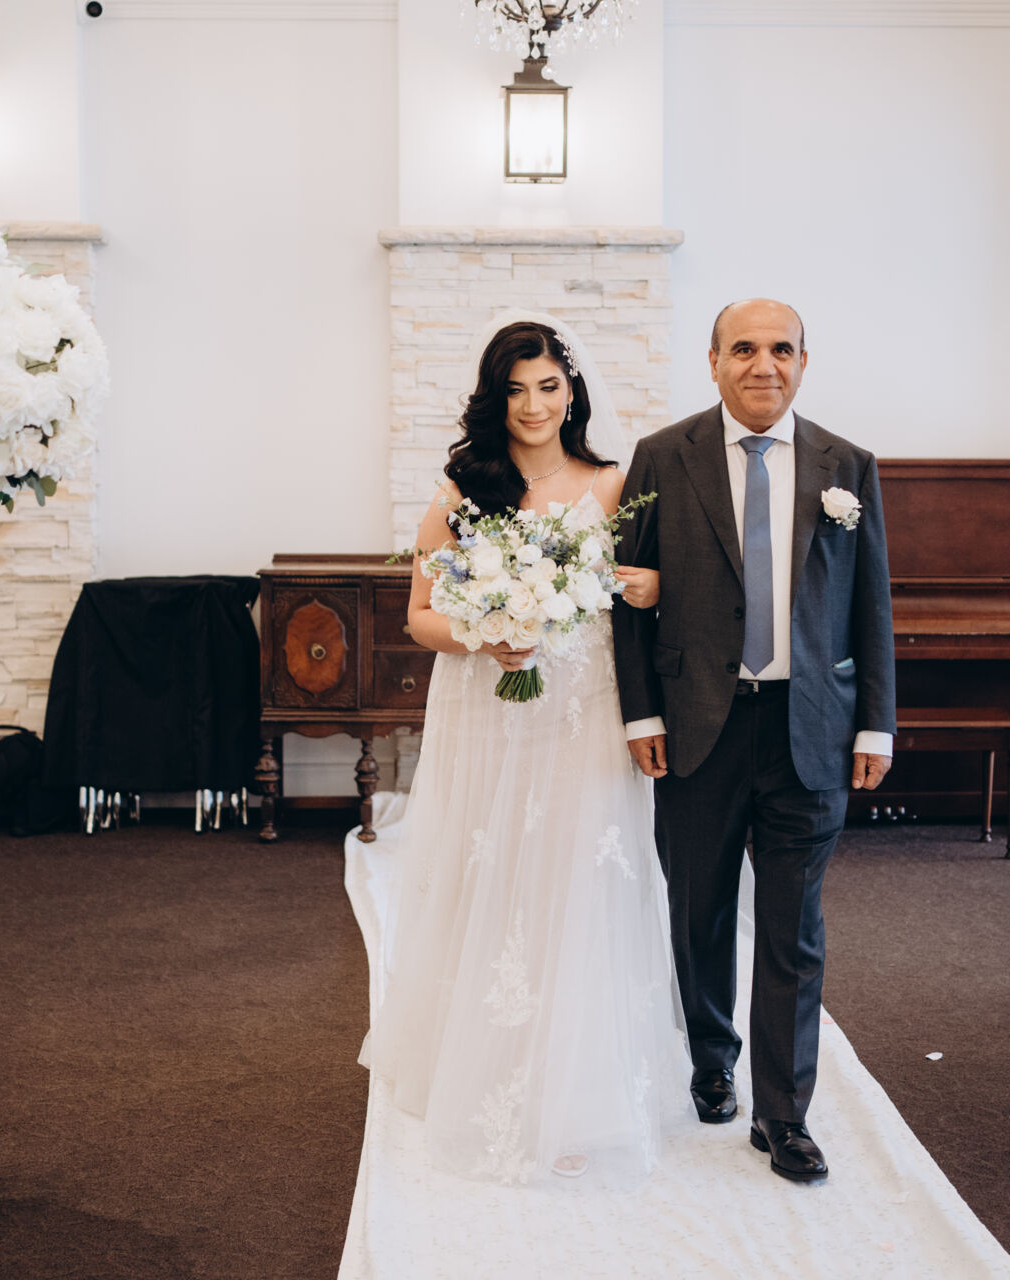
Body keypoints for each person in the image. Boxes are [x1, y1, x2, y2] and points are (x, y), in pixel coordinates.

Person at [358, 315, 690, 1185]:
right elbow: (419, 616)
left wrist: (648, 587)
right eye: (515, 390)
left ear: (572, 391)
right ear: (493, 398)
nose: (533, 405)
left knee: (578, 878)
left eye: (548, 387)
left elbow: (646, 592)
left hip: (585, 713)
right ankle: (481, 1065)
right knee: (498, 872)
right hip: (491, 711)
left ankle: (580, 1090)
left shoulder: (614, 484)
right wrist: (485, 632)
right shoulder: (464, 490)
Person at [612, 298, 897, 1184]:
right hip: (699, 726)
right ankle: (711, 1060)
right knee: (698, 911)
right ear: (713, 361)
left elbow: (872, 604)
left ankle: (784, 1114)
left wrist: (876, 721)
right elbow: (627, 594)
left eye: (781, 349)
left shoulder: (849, 465)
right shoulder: (663, 456)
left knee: (793, 929)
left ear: (805, 362)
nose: (762, 364)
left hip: (811, 730)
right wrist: (641, 713)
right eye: (743, 348)